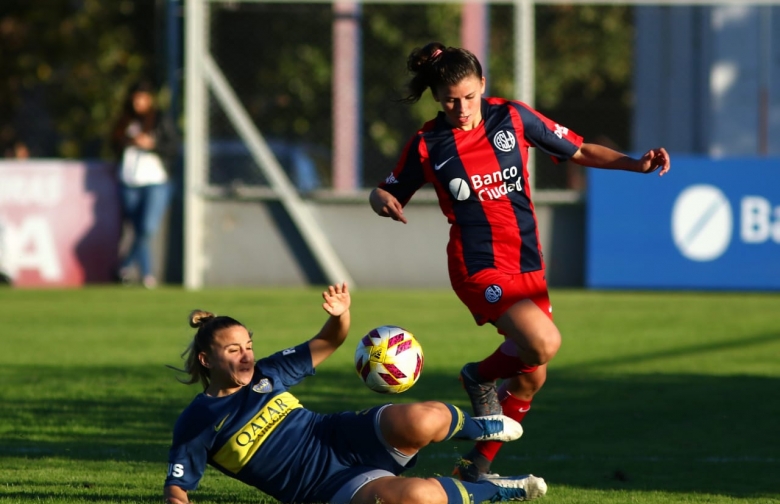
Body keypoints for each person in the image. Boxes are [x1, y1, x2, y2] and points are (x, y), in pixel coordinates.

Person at [368, 42, 671, 482]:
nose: (462, 107)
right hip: (478, 267)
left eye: (470, 96)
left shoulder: (512, 117)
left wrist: (635, 165)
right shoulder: (428, 144)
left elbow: (580, 150)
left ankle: (474, 470)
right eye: (451, 99)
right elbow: (388, 188)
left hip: (528, 266)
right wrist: (381, 200)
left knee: (532, 378)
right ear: (436, 97)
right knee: (544, 342)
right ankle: (478, 377)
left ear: (483, 86)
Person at [163, 282, 548, 504]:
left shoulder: (268, 372)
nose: (247, 356)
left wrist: (339, 314)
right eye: (234, 351)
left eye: (248, 345)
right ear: (205, 360)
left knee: (421, 418)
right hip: (324, 489)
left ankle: (479, 426)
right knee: (417, 497)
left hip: (341, 436)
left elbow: (328, 341)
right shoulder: (198, 420)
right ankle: (492, 491)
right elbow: (177, 488)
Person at [110, 79, 179, 289]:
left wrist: (152, 145)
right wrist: (127, 142)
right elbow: (113, 144)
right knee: (138, 229)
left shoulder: (159, 120)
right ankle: (147, 275)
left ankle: (125, 266)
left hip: (155, 181)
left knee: (147, 228)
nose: (138, 102)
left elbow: (173, 147)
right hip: (130, 181)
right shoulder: (125, 121)